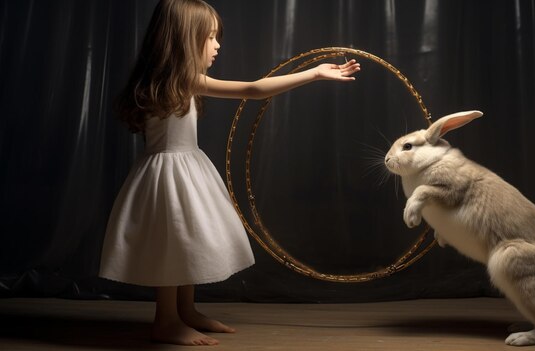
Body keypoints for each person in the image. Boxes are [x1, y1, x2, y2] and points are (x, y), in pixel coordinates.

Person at [98, 0, 360, 346]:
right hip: (170, 174)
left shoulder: (174, 80)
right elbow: (252, 90)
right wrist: (314, 73)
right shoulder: (179, 80)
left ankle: (185, 311)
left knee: (185, 240)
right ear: (184, 40)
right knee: (173, 244)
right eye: (209, 37)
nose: (217, 45)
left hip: (184, 167)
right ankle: (166, 320)